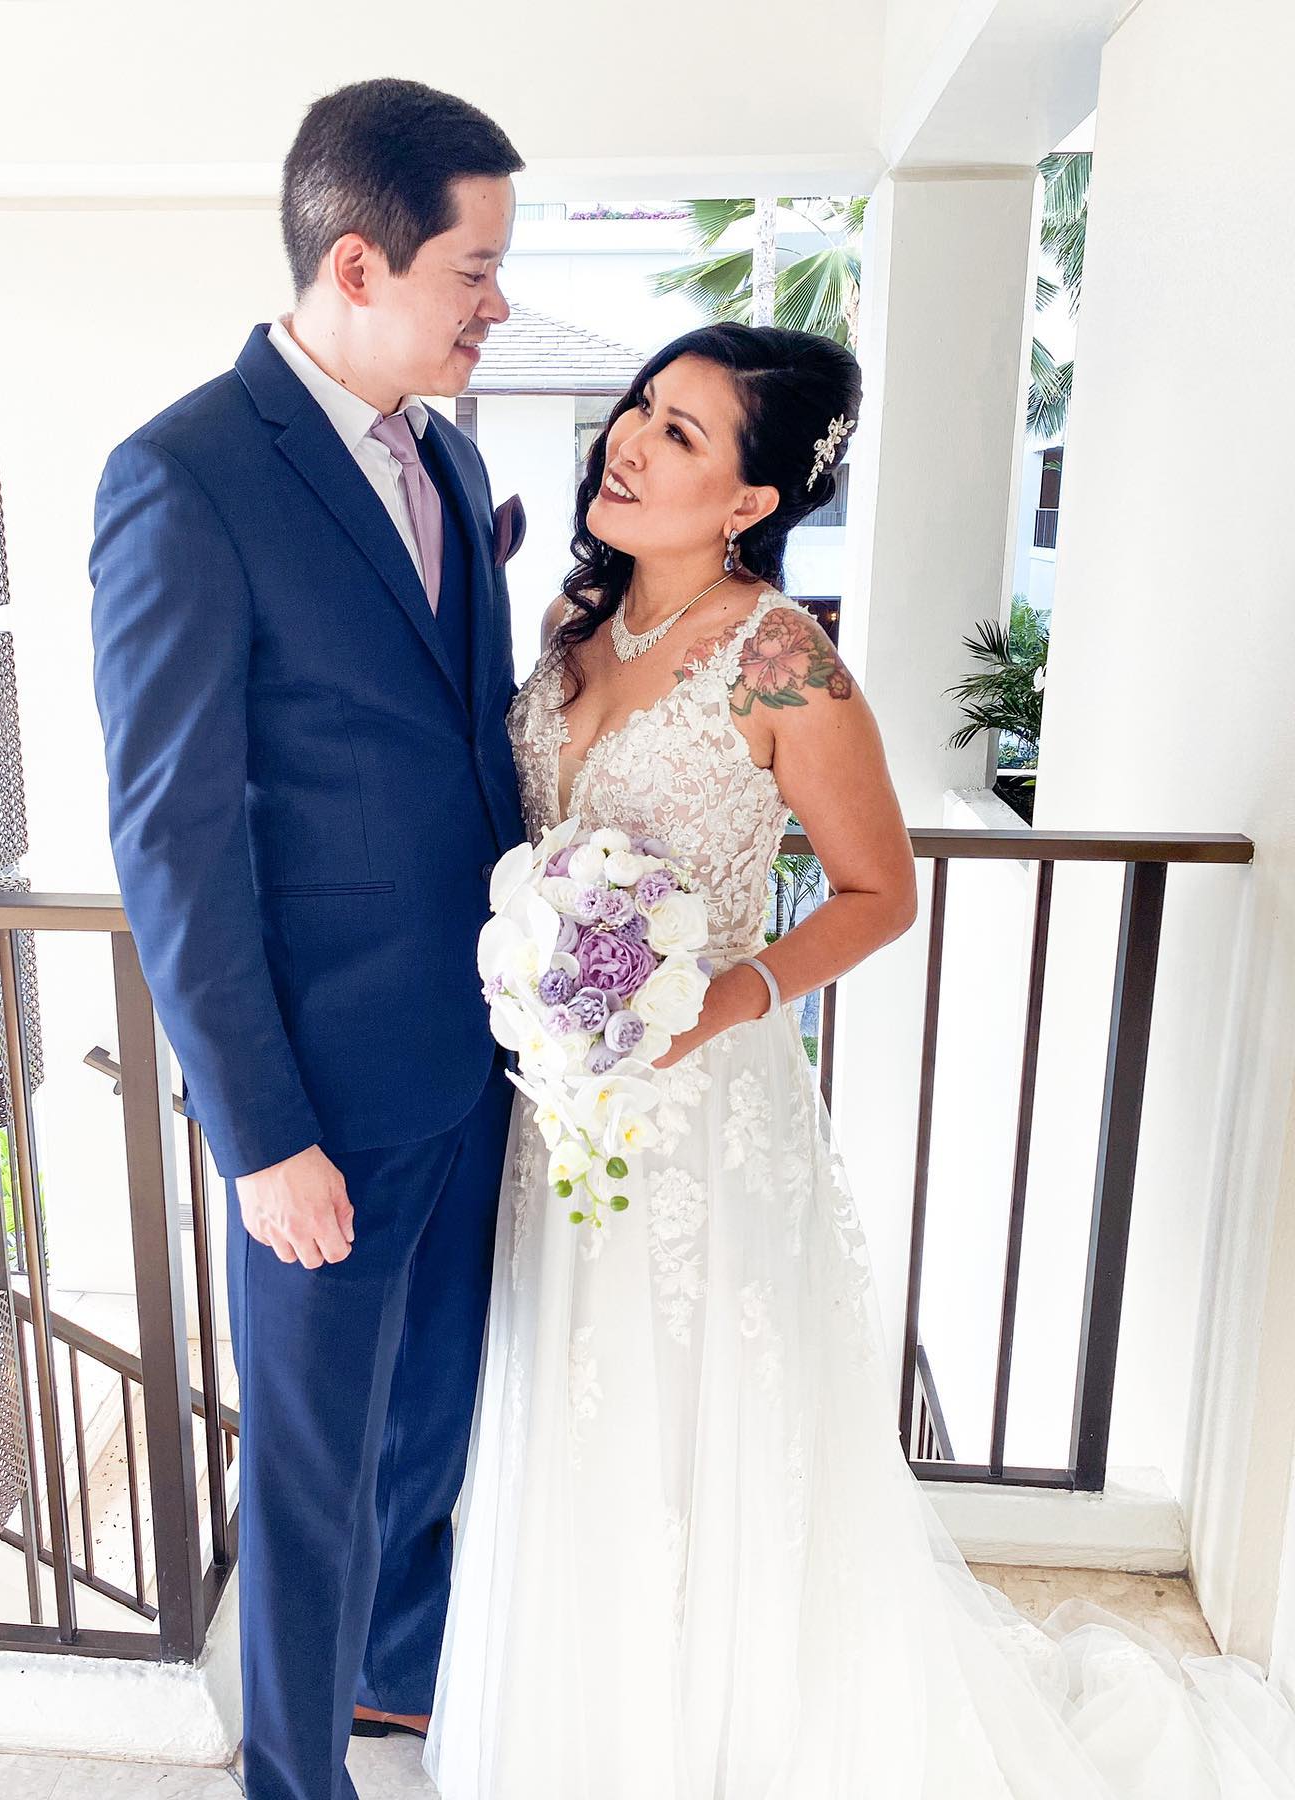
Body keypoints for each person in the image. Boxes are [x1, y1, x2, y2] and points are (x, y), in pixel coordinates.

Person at [425, 323, 1295, 1797]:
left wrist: (729, 994)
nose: (632, 442)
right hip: (563, 1109)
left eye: (684, 435)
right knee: (577, 1399)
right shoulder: (573, 629)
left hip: (702, 1105)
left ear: (752, 502)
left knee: (710, 1415)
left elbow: (879, 891)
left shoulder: (778, 656)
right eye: (643, 410)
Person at [89, 78, 526, 1800]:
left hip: (477, 1063)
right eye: (474, 270)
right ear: (360, 260)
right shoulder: (184, 476)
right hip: (320, 1099)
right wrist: (256, 1130)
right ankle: (293, 1771)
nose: (499, 302)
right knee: (309, 1468)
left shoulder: (456, 455)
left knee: (432, 1427)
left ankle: (397, 1685)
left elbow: (468, 744)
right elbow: (173, 840)